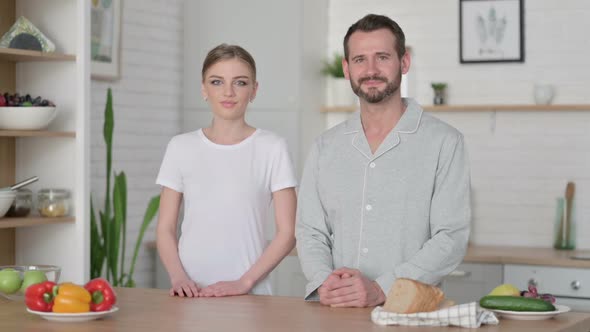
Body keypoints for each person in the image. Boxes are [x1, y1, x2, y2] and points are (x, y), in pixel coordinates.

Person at [296, 14, 471, 307]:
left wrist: (381, 288)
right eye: (360, 59)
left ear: (404, 63)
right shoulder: (325, 146)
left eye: (382, 57)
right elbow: (310, 231)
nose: (371, 69)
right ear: (347, 68)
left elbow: (450, 238)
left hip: (410, 313)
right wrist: (325, 281)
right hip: (337, 313)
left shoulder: (445, 142)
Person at [156, 44, 297, 298]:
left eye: (240, 83)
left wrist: (244, 283)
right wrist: (179, 278)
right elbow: (165, 228)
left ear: (254, 90)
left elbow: (287, 234)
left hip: (250, 295)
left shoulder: (272, 147)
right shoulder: (180, 147)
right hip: (190, 295)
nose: (228, 92)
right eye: (217, 81)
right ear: (203, 89)